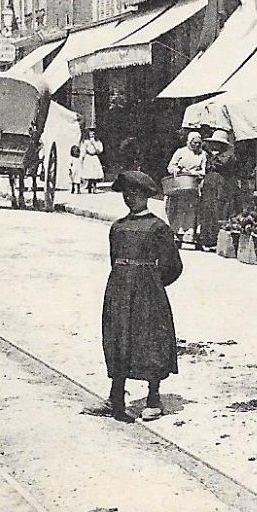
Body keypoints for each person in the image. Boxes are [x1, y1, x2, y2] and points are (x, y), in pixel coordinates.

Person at [101, 171, 182, 422]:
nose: (130, 198)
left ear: (146, 196)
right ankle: (116, 396)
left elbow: (173, 266)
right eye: (127, 193)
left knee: (150, 339)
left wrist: (151, 283)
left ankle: (153, 397)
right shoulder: (118, 227)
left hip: (148, 292)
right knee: (119, 337)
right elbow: (114, 259)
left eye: (135, 193)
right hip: (119, 290)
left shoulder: (158, 228)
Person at [197, 128, 240, 252]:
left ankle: (216, 240)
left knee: (218, 210)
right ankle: (206, 240)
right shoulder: (211, 155)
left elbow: (220, 165)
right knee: (207, 210)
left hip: (221, 185)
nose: (214, 146)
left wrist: (213, 158)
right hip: (209, 185)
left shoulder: (228, 155)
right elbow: (208, 167)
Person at [165, 130, 207, 248]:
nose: (197, 145)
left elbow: (204, 170)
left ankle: (190, 236)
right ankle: (176, 235)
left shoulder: (202, 155)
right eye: (195, 143)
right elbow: (171, 166)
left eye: (199, 143)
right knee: (177, 211)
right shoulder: (180, 152)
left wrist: (195, 173)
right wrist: (177, 170)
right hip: (180, 185)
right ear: (189, 142)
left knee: (191, 212)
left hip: (193, 186)